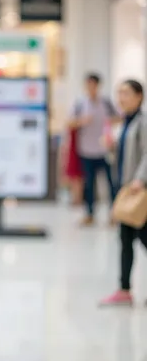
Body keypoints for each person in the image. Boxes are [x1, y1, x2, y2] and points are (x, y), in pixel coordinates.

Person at [99, 80, 147, 306]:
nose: (121, 97)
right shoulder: (126, 122)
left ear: (139, 96)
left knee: (141, 238)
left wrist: (141, 178)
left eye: (126, 93)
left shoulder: (143, 121)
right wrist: (111, 147)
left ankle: (125, 288)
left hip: (139, 192)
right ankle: (124, 290)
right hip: (127, 190)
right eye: (119, 93)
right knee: (126, 239)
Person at [69, 73, 119, 225]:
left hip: (104, 150)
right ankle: (89, 214)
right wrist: (82, 121)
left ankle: (113, 214)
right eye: (88, 85)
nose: (91, 88)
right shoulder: (80, 103)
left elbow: (118, 117)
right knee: (89, 184)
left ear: (98, 86)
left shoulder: (106, 103)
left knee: (111, 183)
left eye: (93, 85)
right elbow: (70, 123)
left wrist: (110, 122)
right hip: (86, 150)